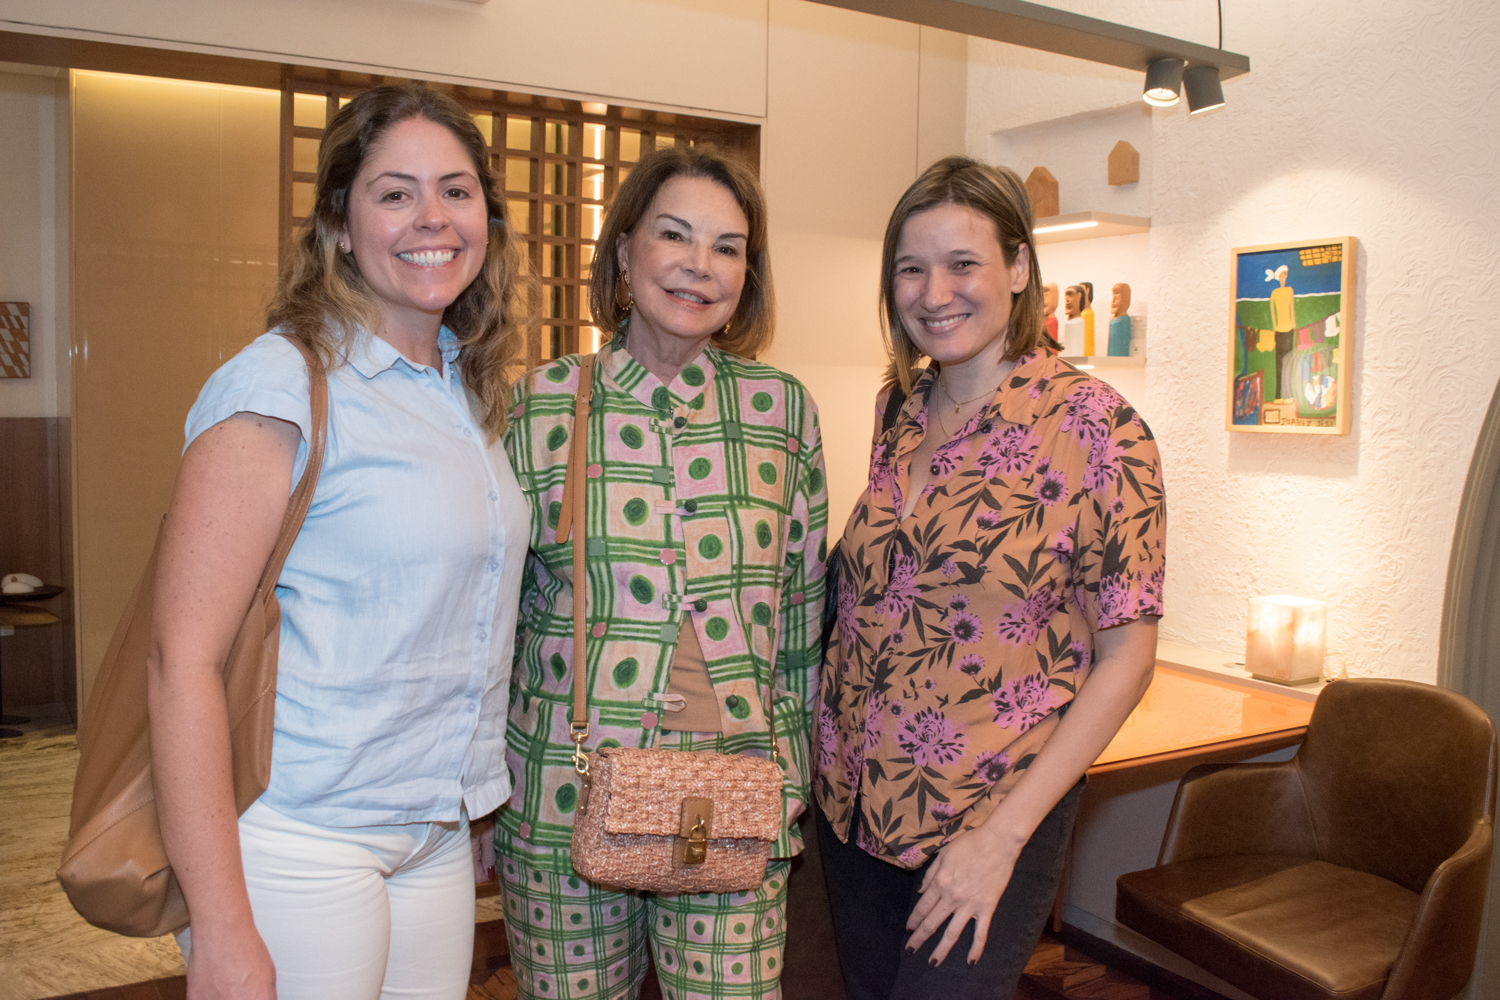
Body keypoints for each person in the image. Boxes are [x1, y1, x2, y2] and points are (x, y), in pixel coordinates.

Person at [147, 84, 529, 1000]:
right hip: (301, 835)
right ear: (341, 227)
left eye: (457, 190)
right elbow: (180, 662)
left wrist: (468, 789)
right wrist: (224, 924)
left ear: (487, 217)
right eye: (394, 193)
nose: (431, 217)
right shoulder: (283, 381)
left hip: (431, 835)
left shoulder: (460, 389)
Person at [815, 156, 1165, 1000]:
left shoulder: (1099, 428)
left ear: (1017, 267)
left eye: (962, 263)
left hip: (984, 812)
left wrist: (1002, 839)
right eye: (910, 268)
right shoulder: (898, 407)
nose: (934, 292)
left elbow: (1127, 655)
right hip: (852, 805)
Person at [497, 145, 828, 1000]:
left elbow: (799, 622)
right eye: (674, 235)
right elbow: (490, 622)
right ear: (622, 253)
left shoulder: (781, 410)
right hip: (565, 798)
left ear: (747, 274)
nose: (699, 265)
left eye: (727, 246)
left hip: (735, 796)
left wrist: (788, 780)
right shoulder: (540, 405)